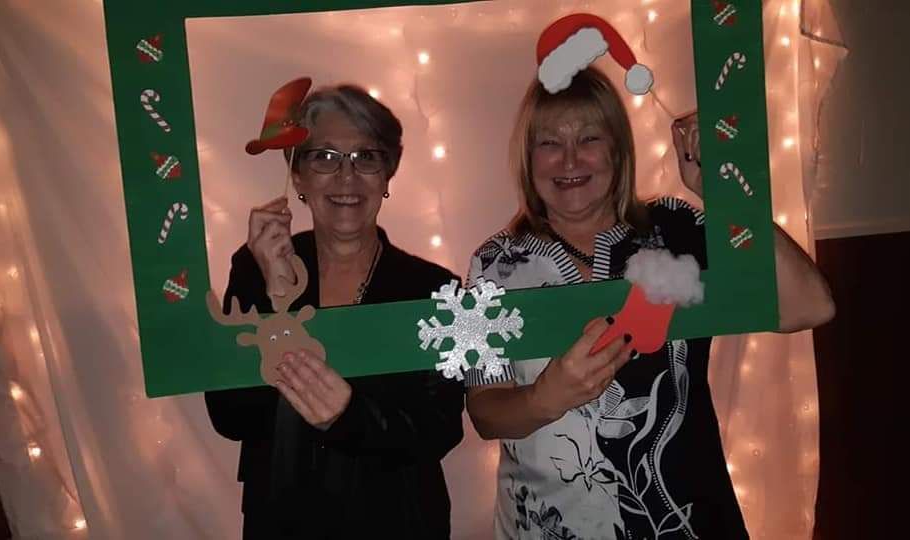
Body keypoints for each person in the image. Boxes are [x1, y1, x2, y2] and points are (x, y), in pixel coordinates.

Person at [464, 67, 835, 539]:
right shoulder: (490, 264)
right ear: (527, 157)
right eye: (549, 142)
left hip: (682, 524)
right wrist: (546, 397)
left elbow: (810, 306)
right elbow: (484, 413)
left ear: (619, 149)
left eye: (590, 137)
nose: (570, 159)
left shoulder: (677, 230)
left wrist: (722, 193)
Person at [204, 84, 465, 539]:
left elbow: (440, 430)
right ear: (298, 176)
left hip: (400, 521)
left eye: (367, 156)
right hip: (281, 522)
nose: (347, 177)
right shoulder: (254, 266)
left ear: (388, 174)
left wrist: (347, 416)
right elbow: (230, 416)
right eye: (324, 157)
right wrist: (273, 295)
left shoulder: (434, 289)